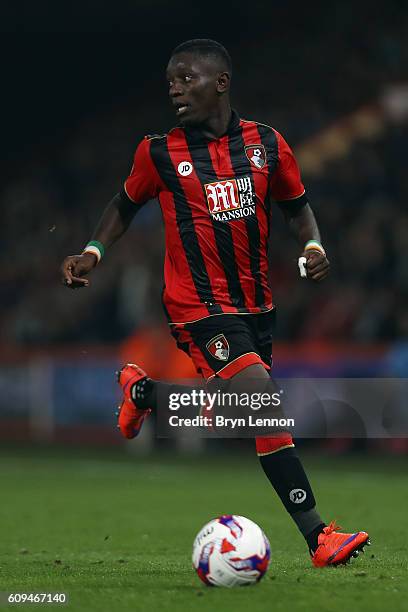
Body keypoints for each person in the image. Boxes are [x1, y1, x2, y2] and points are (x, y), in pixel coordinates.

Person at [61, 39, 370, 567]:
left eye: (187, 79)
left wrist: (315, 245)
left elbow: (297, 206)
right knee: (263, 404)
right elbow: (124, 203)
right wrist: (92, 252)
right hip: (197, 305)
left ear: (221, 82)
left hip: (257, 305)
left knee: (246, 413)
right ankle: (319, 536)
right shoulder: (158, 152)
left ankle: (145, 392)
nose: (175, 89)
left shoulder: (267, 144)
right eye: (171, 82)